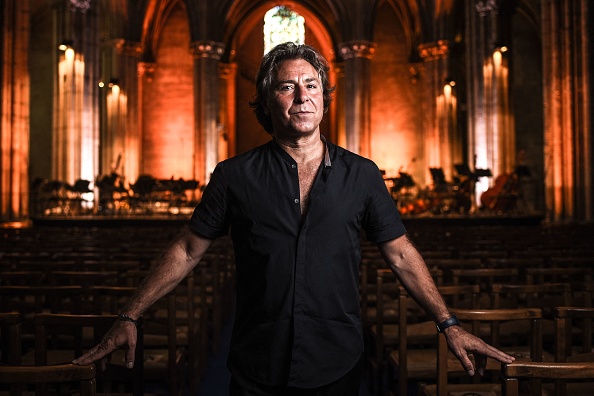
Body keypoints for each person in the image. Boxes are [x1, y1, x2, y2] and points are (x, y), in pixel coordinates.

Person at [74, 42, 514, 395]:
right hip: (256, 362)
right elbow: (188, 249)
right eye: (287, 87)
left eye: (312, 85)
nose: (303, 96)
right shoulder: (234, 176)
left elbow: (400, 253)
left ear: (324, 96)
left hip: (336, 361)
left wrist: (449, 324)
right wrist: (129, 315)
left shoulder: (362, 174)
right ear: (267, 100)